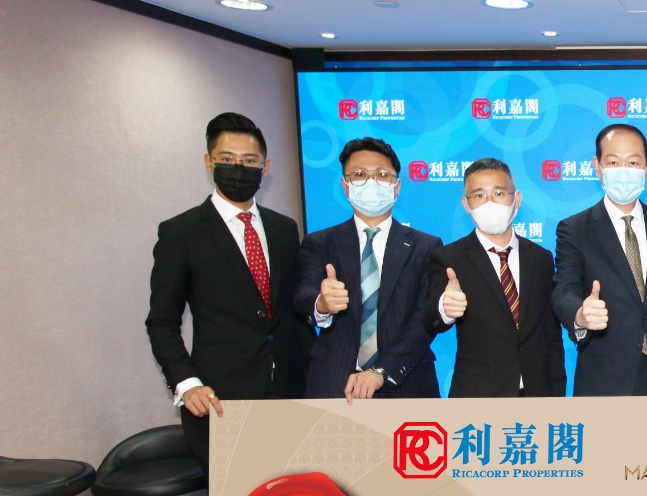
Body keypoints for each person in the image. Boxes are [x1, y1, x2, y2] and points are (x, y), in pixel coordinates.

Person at [147, 112, 306, 465]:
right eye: (227, 160)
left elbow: (290, 312)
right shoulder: (181, 232)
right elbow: (161, 322)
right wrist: (186, 383)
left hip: (289, 393)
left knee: (293, 493)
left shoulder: (284, 229)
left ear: (265, 167)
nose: (239, 169)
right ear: (209, 163)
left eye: (249, 161)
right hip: (219, 398)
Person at [552, 124, 647, 396]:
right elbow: (564, 289)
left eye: (633, 162)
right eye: (613, 162)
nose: (623, 170)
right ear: (597, 167)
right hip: (605, 379)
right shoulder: (575, 229)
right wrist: (580, 314)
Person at [294, 137, 441, 402]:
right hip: (333, 381)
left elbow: (424, 320)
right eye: (360, 175)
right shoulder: (320, 242)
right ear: (345, 186)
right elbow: (303, 296)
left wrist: (381, 372)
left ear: (397, 186)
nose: (371, 183)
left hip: (407, 383)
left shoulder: (426, 246)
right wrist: (322, 304)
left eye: (382, 175)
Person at [424, 158, 565, 397]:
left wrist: (557, 390)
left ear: (516, 199)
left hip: (538, 391)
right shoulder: (449, 258)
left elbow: (551, 333)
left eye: (499, 193)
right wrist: (445, 310)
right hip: (479, 394)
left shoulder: (540, 257)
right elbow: (430, 320)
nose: (489, 203)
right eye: (479, 196)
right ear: (466, 204)